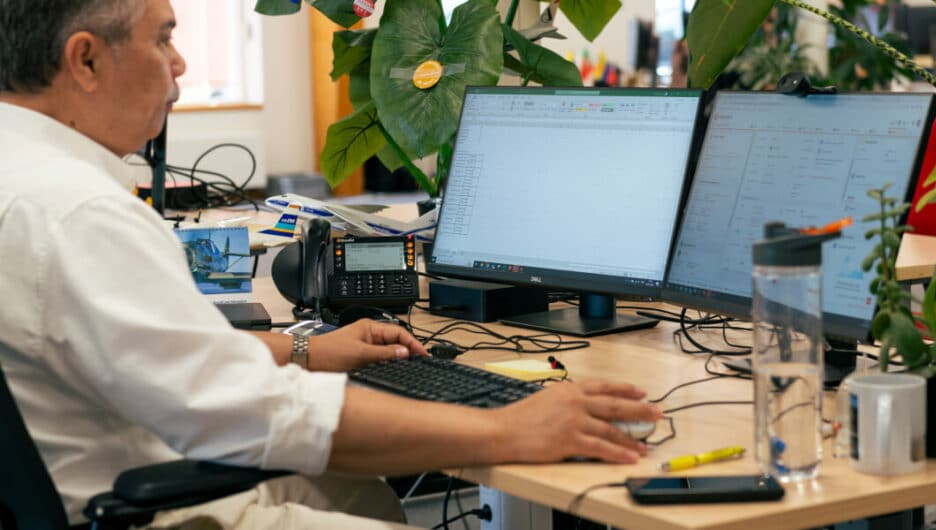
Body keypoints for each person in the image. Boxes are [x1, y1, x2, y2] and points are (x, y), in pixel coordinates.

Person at [0, 1, 661, 528]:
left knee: (354, 490)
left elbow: (155, 355)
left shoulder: (23, 175)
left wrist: (304, 350)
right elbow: (260, 416)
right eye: (162, 39)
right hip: (150, 507)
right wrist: (504, 427)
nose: (178, 63)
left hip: (107, 472)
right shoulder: (77, 213)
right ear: (84, 60)